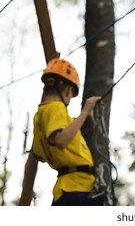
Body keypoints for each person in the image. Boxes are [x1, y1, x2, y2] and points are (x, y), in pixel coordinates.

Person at [19, 58, 102, 205]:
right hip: (78, 189)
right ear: (70, 91)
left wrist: (78, 121)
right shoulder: (56, 108)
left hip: (65, 190)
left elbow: (41, 155)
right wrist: (85, 112)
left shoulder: (40, 116)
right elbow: (60, 140)